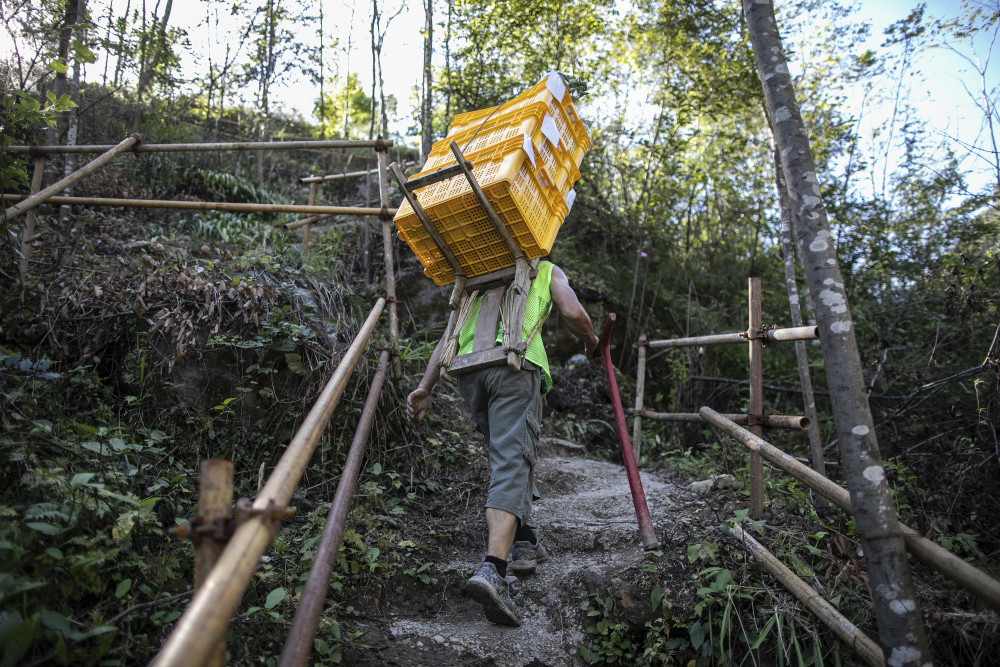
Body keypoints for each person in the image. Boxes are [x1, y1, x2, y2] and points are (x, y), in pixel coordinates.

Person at [407, 260, 600, 626]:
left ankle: (524, 540)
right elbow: (573, 311)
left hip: (471, 374)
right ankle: (493, 568)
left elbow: (448, 334)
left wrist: (424, 387)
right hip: (514, 364)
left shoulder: (476, 276)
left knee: (507, 455)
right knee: (513, 460)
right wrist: (591, 341)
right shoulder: (542, 269)